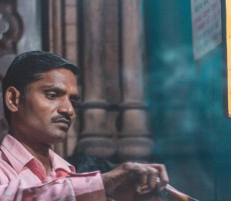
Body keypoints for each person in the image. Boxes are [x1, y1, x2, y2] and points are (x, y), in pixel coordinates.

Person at [0, 51, 169, 201]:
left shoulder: (70, 174)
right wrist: (104, 183)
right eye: (52, 95)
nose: (68, 109)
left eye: (72, 101)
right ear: (13, 100)